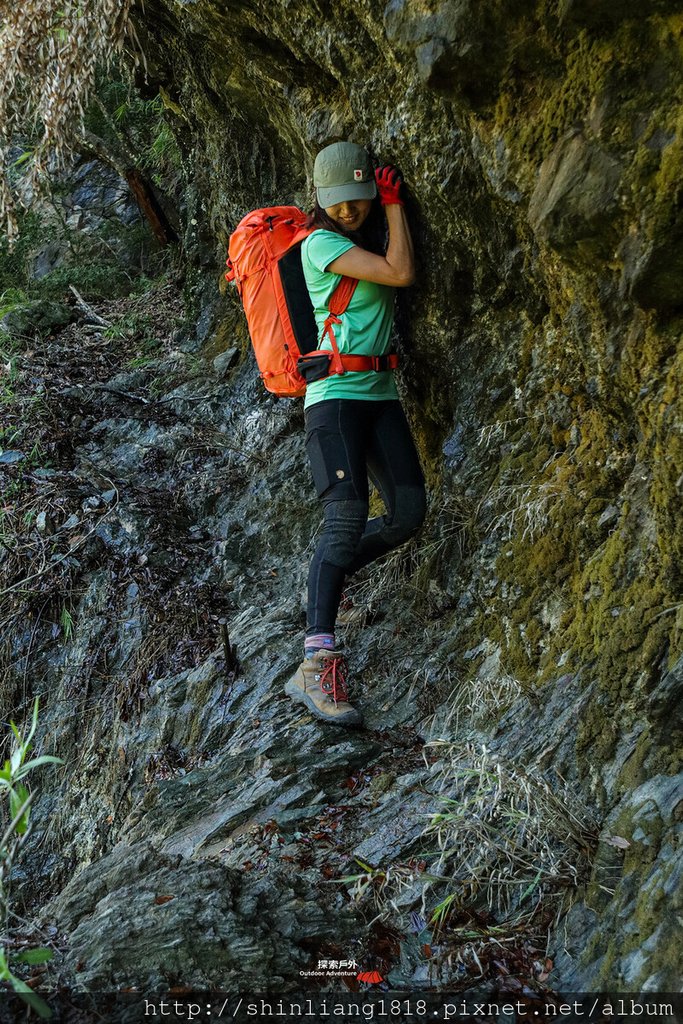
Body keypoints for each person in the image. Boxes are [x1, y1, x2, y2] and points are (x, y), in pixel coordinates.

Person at [284, 141, 426, 728]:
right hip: (335, 403)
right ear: (322, 202)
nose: (350, 211)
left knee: (408, 514)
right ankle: (317, 660)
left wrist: (385, 205)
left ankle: (327, 574)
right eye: (340, 203)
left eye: (359, 201)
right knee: (343, 519)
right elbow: (400, 272)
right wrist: (393, 207)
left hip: (380, 397)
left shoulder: (355, 240)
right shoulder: (320, 244)